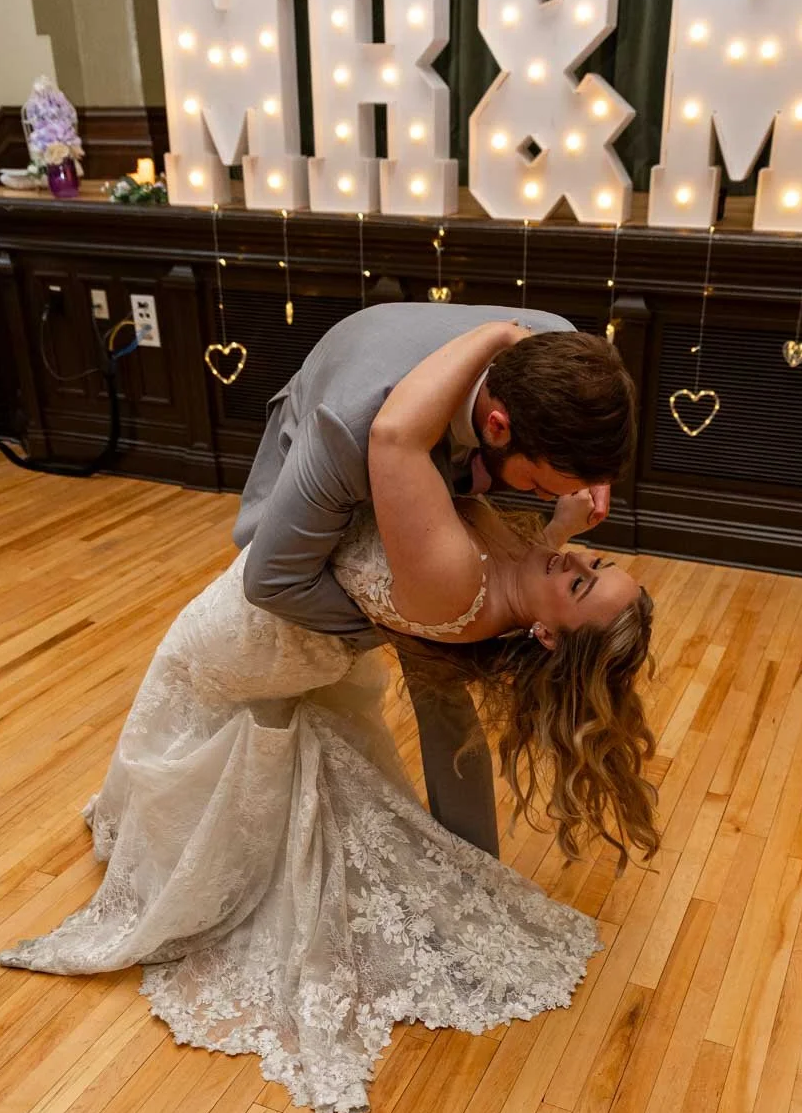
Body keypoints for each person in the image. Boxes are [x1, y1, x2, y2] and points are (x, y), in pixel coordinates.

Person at [0, 320, 657, 1113]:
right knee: (273, 708)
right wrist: (426, 601)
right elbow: (287, 567)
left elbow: (412, 450)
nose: (578, 539)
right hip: (278, 590)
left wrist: (500, 342)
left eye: (587, 579)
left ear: (547, 635)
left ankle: (250, 852)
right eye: (598, 561)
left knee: (250, 711)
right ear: (499, 423)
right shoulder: (408, 458)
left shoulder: (471, 549)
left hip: (310, 609)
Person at [234, 300, 637, 857]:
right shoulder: (350, 430)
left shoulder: (556, 354)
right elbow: (273, 580)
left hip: (432, 551)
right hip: (326, 478)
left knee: (438, 690)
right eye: (543, 486)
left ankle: (472, 861)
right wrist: (408, 626)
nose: (547, 501)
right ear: (499, 426)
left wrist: (421, 621)